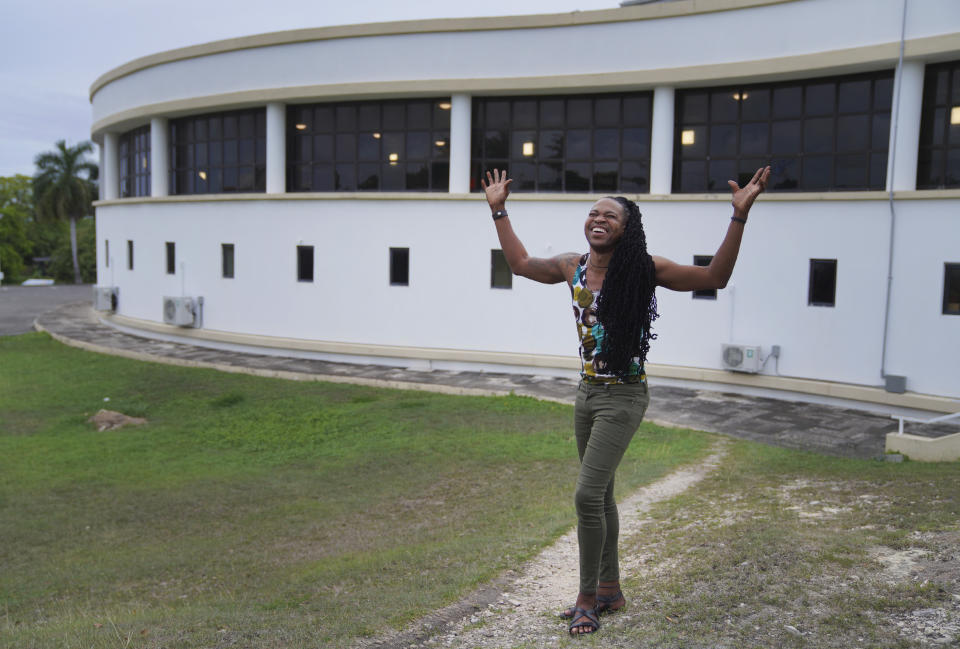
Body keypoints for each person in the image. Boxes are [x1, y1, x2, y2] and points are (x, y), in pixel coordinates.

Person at [481, 165, 771, 636]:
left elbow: (715, 277)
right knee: (603, 496)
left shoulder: (644, 269)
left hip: (624, 396)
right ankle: (611, 587)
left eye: (609, 216)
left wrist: (738, 217)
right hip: (586, 394)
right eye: (593, 213)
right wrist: (498, 211)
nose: (598, 219)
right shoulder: (571, 266)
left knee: (586, 495)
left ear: (626, 227)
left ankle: (586, 597)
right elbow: (519, 265)